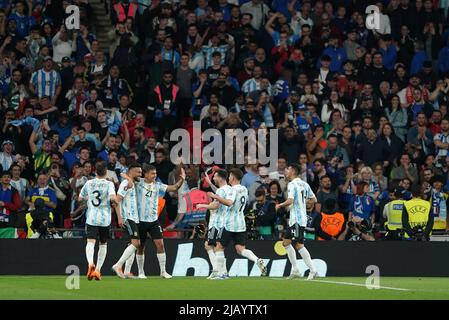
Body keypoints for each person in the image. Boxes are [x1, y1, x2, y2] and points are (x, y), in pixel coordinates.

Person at [120, 164, 186, 279]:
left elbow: (174, 188)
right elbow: (124, 174)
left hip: (153, 221)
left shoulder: (158, 185)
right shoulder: (138, 182)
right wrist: (126, 177)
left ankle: (163, 272)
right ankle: (141, 272)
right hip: (140, 221)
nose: (155, 176)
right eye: (152, 173)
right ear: (145, 174)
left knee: (160, 245)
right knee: (140, 247)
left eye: (155, 173)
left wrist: (182, 179)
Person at [207, 168, 268, 279]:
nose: (228, 178)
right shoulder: (244, 189)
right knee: (240, 249)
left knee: (219, 247)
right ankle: (257, 260)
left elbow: (229, 203)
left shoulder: (232, 190)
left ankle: (223, 274)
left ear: (233, 177)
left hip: (229, 223)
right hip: (241, 223)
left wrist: (215, 197)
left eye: (229, 176)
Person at [78, 161, 120, 281]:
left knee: (90, 242)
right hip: (105, 219)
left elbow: (80, 198)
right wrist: (115, 202)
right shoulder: (109, 184)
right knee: (103, 244)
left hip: (91, 217)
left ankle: (91, 263)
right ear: (106, 172)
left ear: (95, 171)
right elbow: (113, 198)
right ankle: (98, 270)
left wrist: (88, 199)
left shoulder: (89, 183)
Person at [275, 163, 318, 280]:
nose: (285, 171)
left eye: (287, 169)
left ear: (293, 171)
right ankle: (295, 270)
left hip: (297, 219)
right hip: (297, 218)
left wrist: (280, 205)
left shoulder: (292, 184)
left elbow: (290, 200)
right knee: (286, 242)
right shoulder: (304, 184)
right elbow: (314, 199)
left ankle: (313, 270)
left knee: (299, 245)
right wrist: (304, 204)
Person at [197, 168, 234, 279]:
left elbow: (216, 205)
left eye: (215, 176)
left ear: (219, 178)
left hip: (216, 222)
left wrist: (203, 206)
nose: (213, 178)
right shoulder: (228, 189)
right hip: (224, 222)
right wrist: (209, 184)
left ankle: (217, 270)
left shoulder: (220, 191)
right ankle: (223, 272)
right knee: (218, 247)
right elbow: (219, 193)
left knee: (209, 246)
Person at [111, 163, 142, 278]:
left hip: (134, 217)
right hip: (128, 217)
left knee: (131, 244)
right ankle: (118, 265)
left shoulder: (131, 182)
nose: (140, 174)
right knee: (136, 243)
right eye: (138, 172)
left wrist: (127, 176)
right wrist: (119, 217)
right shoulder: (125, 184)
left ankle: (127, 272)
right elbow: (116, 200)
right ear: (132, 171)